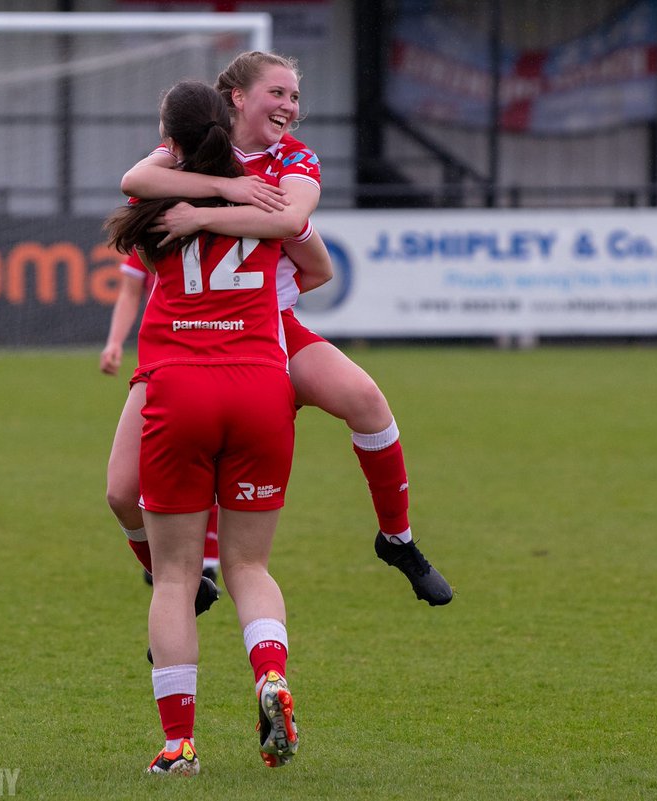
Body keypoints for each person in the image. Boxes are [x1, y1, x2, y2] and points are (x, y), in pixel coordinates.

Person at [112, 51, 453, 606]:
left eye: (295, 96)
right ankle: (178, 583)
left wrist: (201, 214)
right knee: (123, 494)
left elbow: (291, 221)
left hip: (268, 329)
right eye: (278, 93)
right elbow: (135, 179)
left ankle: (398, 538)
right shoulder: (199, 149)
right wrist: (227, 188)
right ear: (237, 97)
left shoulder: (294, 158)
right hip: (188, 336)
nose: (290, 106)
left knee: (365, 399)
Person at [104, 79, 311, 776]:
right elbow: (315, 262)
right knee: (251, 564)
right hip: (259, 384)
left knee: (175, 576)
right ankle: (272, 675)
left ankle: (180, 744)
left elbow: (136, 176)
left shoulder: (159, 198)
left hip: (180, 387)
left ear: (170, 135)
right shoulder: (265, 193)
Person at [100, 261, 221, 585]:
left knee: (209, 460)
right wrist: (114, 342)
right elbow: (129, 289)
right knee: (145, 474)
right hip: (162, 362)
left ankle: (206, 558)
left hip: (218, 358)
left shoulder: (226, 225)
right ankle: (162, 558)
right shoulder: (158, 220)